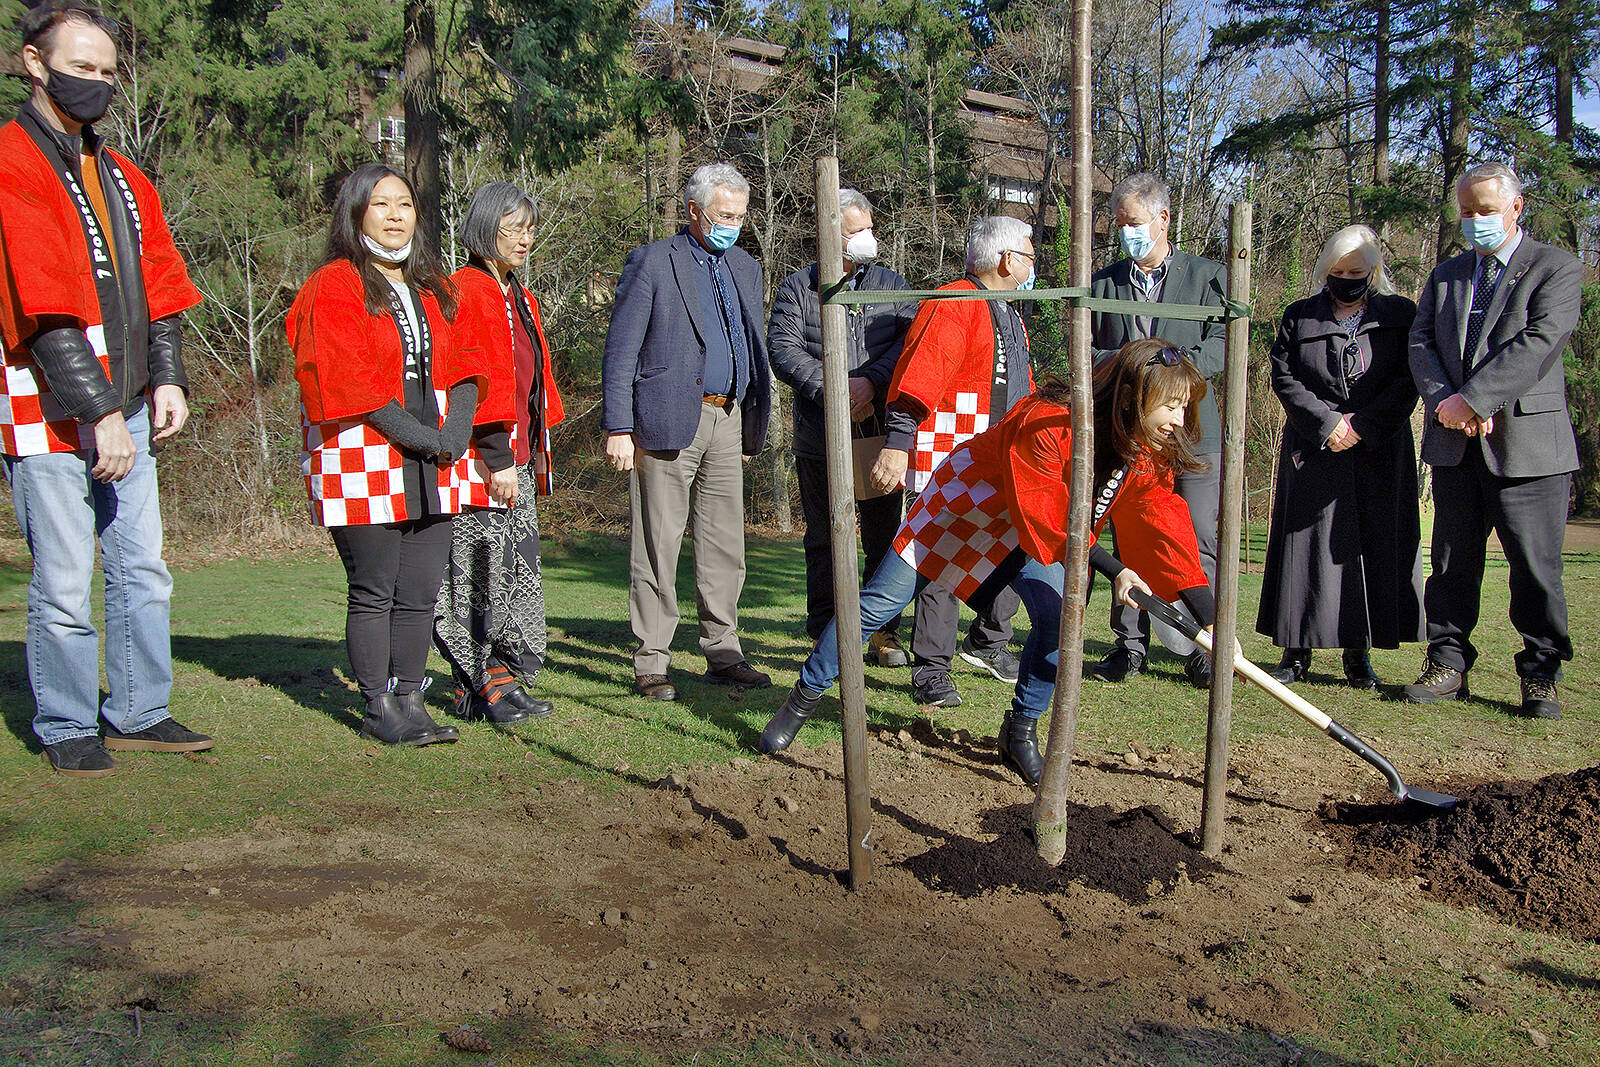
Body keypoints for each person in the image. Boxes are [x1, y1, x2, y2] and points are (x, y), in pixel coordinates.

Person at [761, 338, 1216, 785]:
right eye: (1171, 406)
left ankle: (1019, 732)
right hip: (965, 510)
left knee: (1059, 621)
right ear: (1137, 395)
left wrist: (1211, 620)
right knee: (879, 604)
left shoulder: (1139, 452)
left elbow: (1163, 522)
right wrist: (1116, 571)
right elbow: (1044, 511)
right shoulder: (1047, 422)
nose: (1179, 420)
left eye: (1182, 408)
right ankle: (802, 699)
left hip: (1035, 534)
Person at [0, 0, 213, 777]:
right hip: (43, 402)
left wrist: (168, 376)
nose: (95, 83)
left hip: (125, 397)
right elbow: (43, 304)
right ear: (34, 62)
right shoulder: (12, 161)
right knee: (63, 576)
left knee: (142, 568)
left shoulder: (123, 174)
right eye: (79, 68)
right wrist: (98, 414)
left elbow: (159, 283)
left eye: (105, 72)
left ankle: (139, 709)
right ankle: (64, 720)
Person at [288, 163, 484, 746]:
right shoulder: (335, 284)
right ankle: (377, 707)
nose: (396, 215)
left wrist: (457, 432)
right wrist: (430, 439)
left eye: (404, 204)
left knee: (422, 591)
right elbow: (353, 382)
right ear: (356, 214)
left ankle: (410, 698)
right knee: (375, 587)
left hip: (435, 463)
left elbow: (472, 365)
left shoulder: (435, 287)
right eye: (381, 205)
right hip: (364, 457)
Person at [1405, 161, 1583, 719]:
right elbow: (1421, 340)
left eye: (1485, 210)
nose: (1475, 221)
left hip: (1529, 447)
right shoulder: (1448, 274)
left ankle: (1540, 673)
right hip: (1456, 447)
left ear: (1516, 207)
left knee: (1534, 568)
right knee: (1452, 564)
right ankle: (1448, 662)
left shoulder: (1555, 268)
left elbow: (1540, 341)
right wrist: (1445, 403)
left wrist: (1477, 399)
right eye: (1466, 212)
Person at [600, 163, 773, 701]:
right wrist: (619, 426)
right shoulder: (654, 260)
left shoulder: (745, 266)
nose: (734, 225)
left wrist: (747, 425)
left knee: (725, 545)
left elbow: (751, 343)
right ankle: (652, 659)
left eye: (741, 216)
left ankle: (723, 652)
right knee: (658, 543)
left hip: (728, 418)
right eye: (725, 215)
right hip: (665, 419)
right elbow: (622, 347)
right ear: (694, 210)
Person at [866, 216, 1034, 708]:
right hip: (951, 453)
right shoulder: (955, 301)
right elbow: (921, 375)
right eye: (1027, 254)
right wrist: (898, 444)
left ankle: (988, 641)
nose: (1030, 264)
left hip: (999, 456)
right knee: (938, 562)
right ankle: (932, 671)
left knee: (1011, 549)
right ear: (1005, 260)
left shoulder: (1008, 311)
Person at [1256, 225, 1424, 687]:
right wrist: (1328, 425)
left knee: (1366, 550)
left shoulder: (1400, 314)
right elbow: (1285, 376)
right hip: (1313, 448)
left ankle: (1358, 654)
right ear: (1325, 270)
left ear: (1373, 272)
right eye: (1338, 271)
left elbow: (1408, 379)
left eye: (1356, 271)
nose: (1346, 278)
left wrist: (1362, 427)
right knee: (1304, 549)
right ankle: (1295, 650)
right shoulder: (1299, 316)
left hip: (1378, 449)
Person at [433, 182, 565, 724]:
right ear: (485, 228)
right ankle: (475, 681)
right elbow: (478, 380)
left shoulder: (517, 294)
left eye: (529, 228)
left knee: (512, 571)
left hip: (516, 459)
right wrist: (498, 455)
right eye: (512, 228)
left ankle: (505, 674)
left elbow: (530, 383)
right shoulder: (468, 288)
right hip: (485, 462)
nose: (524, 239)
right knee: (480, 571)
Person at [1087, 172, 1225, 690]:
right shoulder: (1104, 283)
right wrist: (1135, 368)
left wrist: (1172, 371)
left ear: (1164, 218)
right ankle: (1130, 644)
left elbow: (1223, 345)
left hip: (1189, 429)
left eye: (1134, 222)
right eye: (1120, 223)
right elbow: (1091, 351)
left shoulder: (1210, 277)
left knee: (1199, 536)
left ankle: (1200, 643)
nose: (1125, 231)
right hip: (1128, 432)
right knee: (1127, 534)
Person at [768, 188, 915, 664]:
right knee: (823, 536)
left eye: (870, 228)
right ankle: (825, 625)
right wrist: (834, 391)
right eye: (856, 231)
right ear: (830, 236)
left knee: (882, 535)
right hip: (819, 433)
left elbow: (910, 340)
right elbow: (783, 349)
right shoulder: (797, 288)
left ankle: (882, 631)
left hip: (877, 431)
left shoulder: (892, 285)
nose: (867, 238)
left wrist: (870, 383)